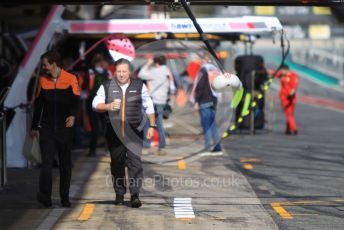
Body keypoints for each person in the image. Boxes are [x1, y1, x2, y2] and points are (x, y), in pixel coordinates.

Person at [92, 58, 155, 208]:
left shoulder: (139, 86)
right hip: (114, 133)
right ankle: (119, 193)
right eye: (118, 71)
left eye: (124, 71)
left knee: (135, 162)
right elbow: (95, 104)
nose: (121, 74)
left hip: (134, 132)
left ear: (130, 72)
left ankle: (135, 195)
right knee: (117, 163)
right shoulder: (106, 86)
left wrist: (152, 125)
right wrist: (108, 106)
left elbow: (149, 105)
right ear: (115, 71)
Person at [30, 50, 80, 208]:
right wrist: (34, 127)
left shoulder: (71, 78)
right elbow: (38, 106)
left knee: (65, 164)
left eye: (45, 64)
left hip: (65, 127)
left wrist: (73, 116)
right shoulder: (42, 81)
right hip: (47, 128)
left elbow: (76, 102)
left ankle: (64, 197)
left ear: (54, 64)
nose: (43, 68)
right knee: (46, 164)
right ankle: (45, 197)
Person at [138, 55, 175, 154]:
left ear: (156, 62)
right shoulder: (167, 72)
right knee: (159, 124)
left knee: (147, 124)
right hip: (162, 101)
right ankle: (162, 147)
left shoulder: (155, 71)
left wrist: (148, 64)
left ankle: (146, 146)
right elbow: (172, 88)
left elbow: (141, 74)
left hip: (152, 101)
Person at [193, 60, 223, 155]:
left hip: (204, 100)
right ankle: (218, 148)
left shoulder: (203, 69)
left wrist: (196, 101)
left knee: (206, 125)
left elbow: (200, 86)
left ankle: (207, 148)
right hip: (214, 100)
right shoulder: (216, 70)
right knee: (213, 125)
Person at [87, 55, 112, 156]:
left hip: (93, 101)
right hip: (105, 103)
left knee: (95, 128)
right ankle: (108, 149)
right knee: (106, 127)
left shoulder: (91, 72)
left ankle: (92, 151)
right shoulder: (108, 73)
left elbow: (89, 86)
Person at [275, 64, 298, 135]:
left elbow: (294, 87)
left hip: (291, 97)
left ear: (285, 70)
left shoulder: (293, 76)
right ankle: (291, 129)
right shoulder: (282, 75)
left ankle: (292, 128)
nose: (281, 72)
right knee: (288, 113)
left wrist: (291, 93)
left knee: (290, 114)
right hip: (284, 98)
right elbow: (274, 73)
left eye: (282, 70)